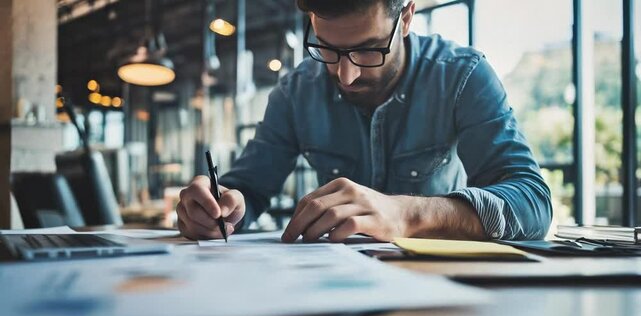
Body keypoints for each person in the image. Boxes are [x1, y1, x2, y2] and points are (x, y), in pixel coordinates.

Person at [176, 0, 552, 242]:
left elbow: (532, 203)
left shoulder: (461, 76)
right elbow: (248, 189)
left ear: (405, 17)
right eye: (327, 48)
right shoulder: (295, 92)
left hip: (438, 292)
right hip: (334, 294)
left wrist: (405, 214)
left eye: (368, 49)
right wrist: (220, 208)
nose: (345, 75)